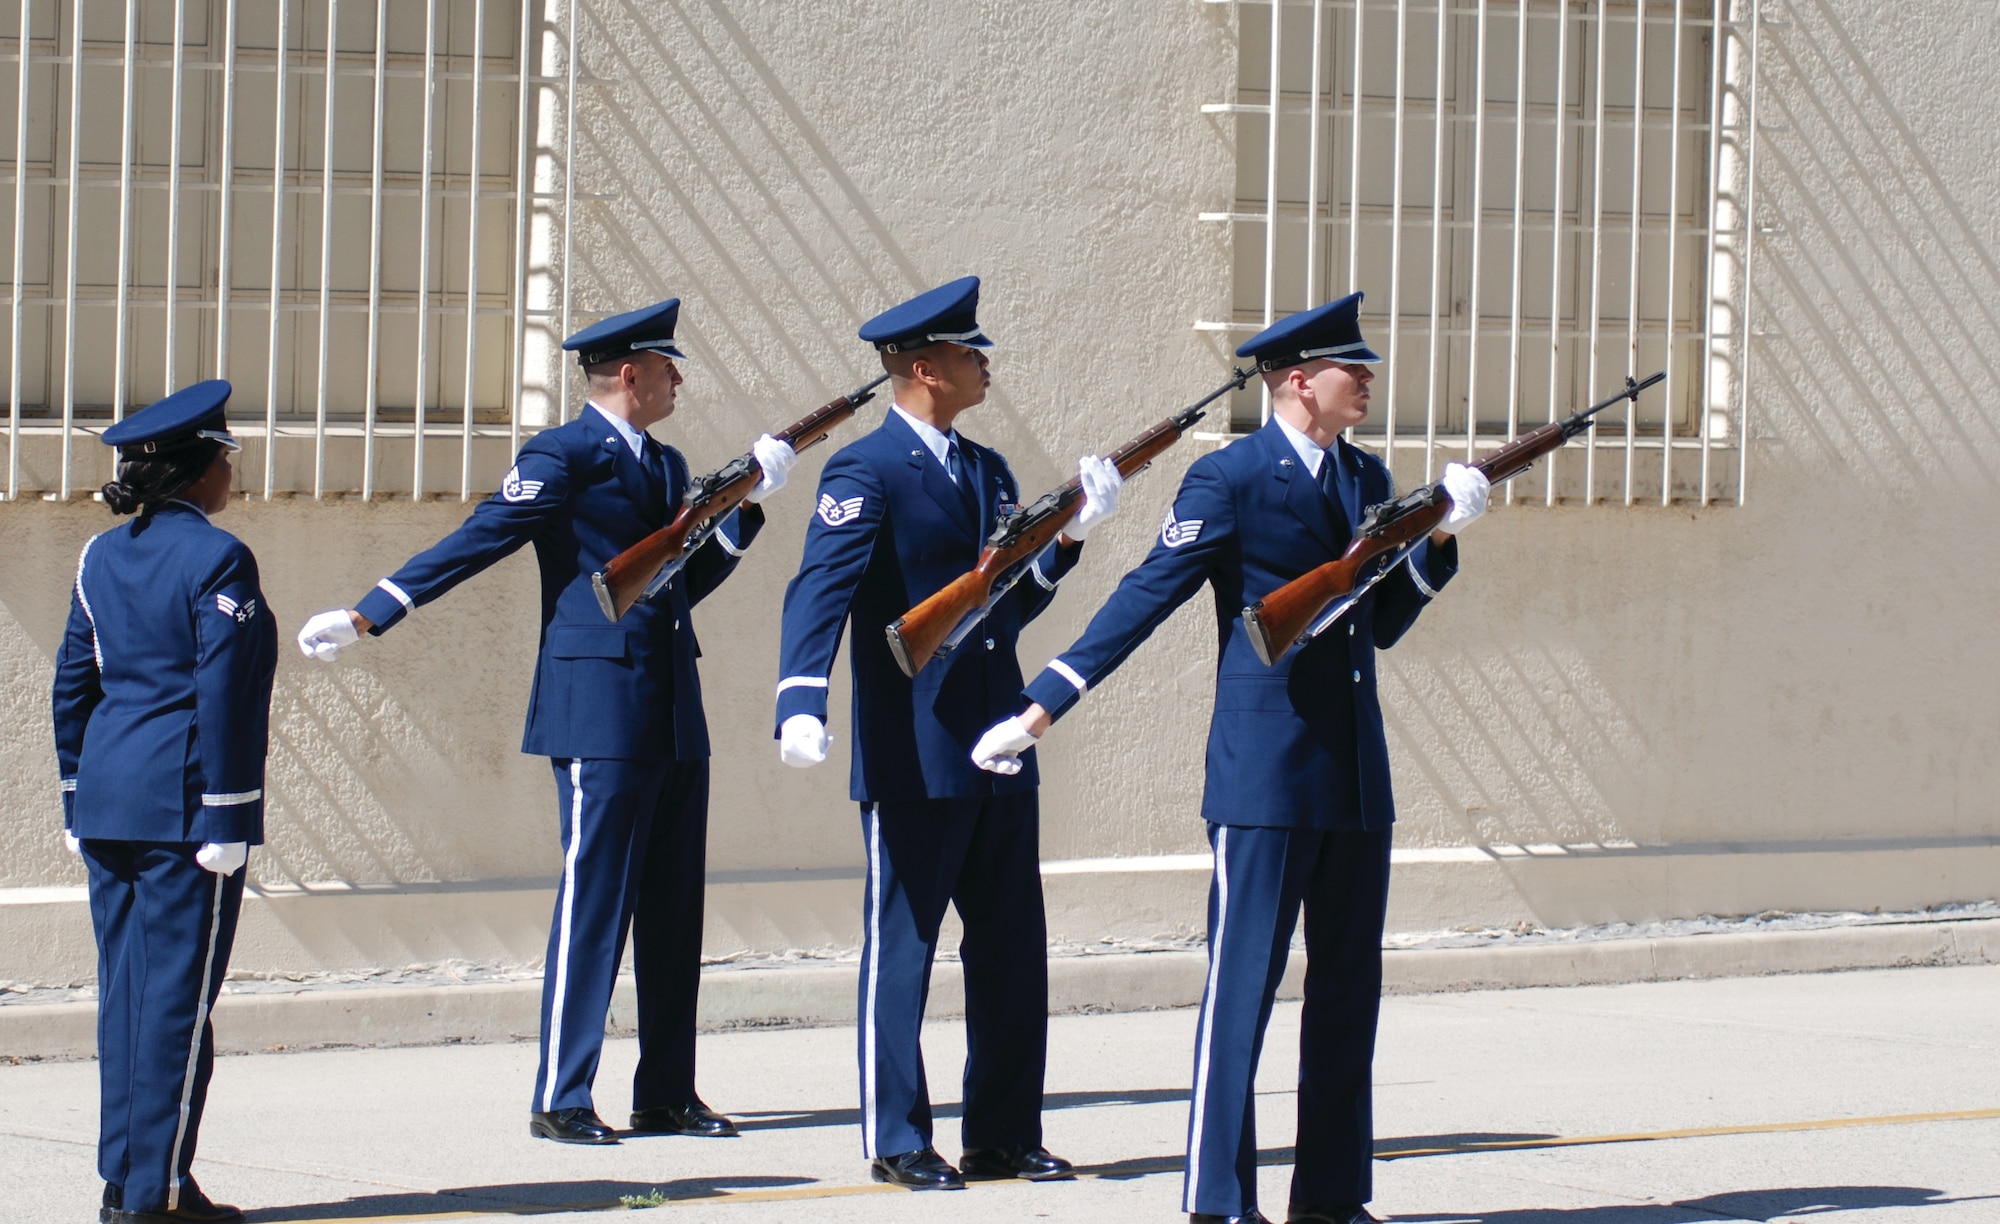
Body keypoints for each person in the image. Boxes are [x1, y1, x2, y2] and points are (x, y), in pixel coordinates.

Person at [969, 293, 1491, 1224]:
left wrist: (1437, 540)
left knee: (1345, 996)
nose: (1365, 379)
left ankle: (1332, 1199)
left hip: (1353, 779)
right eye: (1350, 367)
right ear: (1299, 381)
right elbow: (1146, 595)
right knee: (1242, 987)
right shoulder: (1233, 480)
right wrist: (1043, 703)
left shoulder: (1364, 475)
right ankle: (1217, 1200)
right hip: (1264, 774)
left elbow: (1381, 625)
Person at [295, 299, 797, 1146]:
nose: (680, 379)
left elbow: (670, 590)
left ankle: (667, 1091)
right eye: (668, 366)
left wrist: (741, 516)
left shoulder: (668, 465)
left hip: (671, 704)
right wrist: (374, 611)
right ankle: (562, 1093)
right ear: (630, 372)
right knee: (595, 900)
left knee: (674, 910)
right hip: (597, 707)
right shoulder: (564, 455)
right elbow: (482, 536)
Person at [773, 276, 1124, 1190]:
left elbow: (1011, 605)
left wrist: (1071, 540)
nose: (986, 364)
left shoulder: (990, 470)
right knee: (905, 946)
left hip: (997, 738)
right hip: (912, 747)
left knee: (1011, 948)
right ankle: (897, 1138)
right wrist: (800, 695)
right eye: (972, 353)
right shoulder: (864, 470)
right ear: (926, 368)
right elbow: (820, 588)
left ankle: (1003, 1132)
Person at [53, 381, 277, 1224]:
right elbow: (224, 695)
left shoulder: (99, 557)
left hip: (112, 803)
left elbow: (74, 684)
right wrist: (226, 815)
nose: (231, 474)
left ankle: (127, 1177)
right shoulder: (219, 557)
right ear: (199, 470)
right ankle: (156, 1199)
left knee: (129, 1000)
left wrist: (78, 794)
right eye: (227, 458)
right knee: (178, 1010)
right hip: (187, 810)